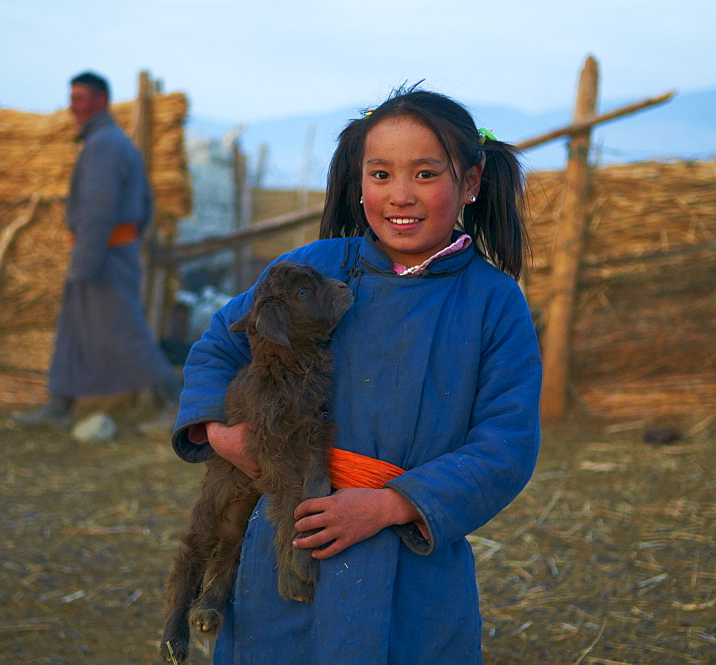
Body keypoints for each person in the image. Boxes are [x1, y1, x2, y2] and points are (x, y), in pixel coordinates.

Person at [170, 85, 542, 664]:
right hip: (288, 534)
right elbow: (219, 344)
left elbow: (506, 443)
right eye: (380, 174)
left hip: (409, 561)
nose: (400, 195)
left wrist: (391, 504)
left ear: (469, 183)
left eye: (425, 174)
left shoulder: (493, 302)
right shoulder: (315, 271)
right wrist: (221, 432)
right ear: (357, 181)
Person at [13, 71, 182, 429]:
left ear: (101, 101)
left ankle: (182, 407)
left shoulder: (104, 144)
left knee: (125, 332)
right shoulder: (111, 142)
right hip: (104, 252)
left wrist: (84, 263)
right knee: (73, 331)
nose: (73, 107)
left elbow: (98, 208)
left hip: (102, 256)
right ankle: (59, 406)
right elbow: (144, 206)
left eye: (80, 99)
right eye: (71, 98)